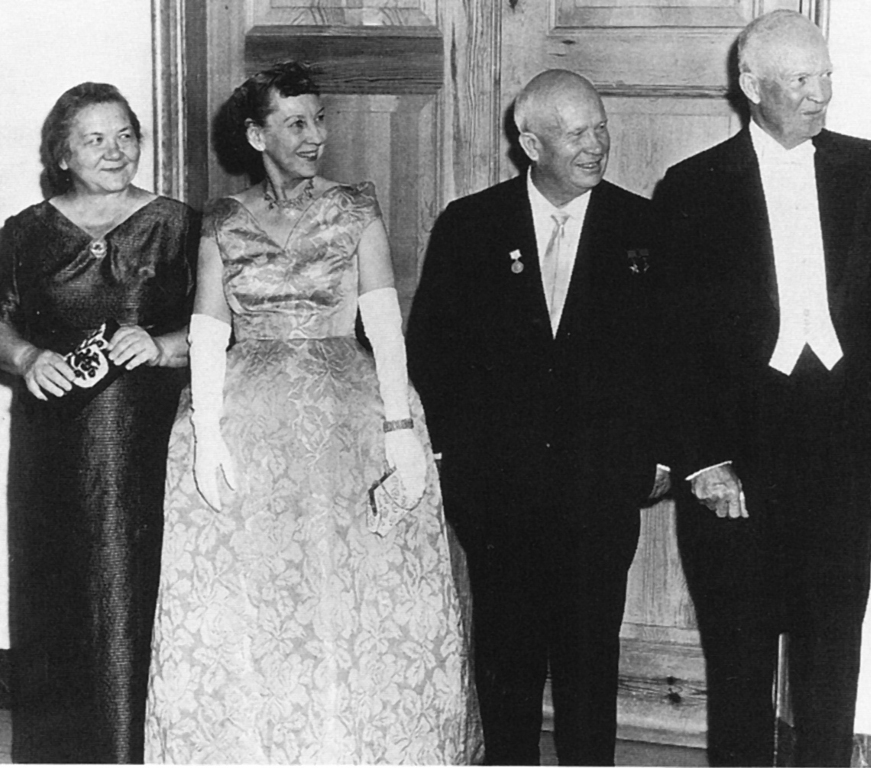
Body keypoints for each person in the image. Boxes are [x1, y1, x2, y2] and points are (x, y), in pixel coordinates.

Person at [143, 61, 476, 764]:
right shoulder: (224, 218)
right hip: (249, 423)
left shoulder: (356, 206)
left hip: (345, 417)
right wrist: (206, 433)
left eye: (319, 119)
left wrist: (399, 427)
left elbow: (384, 325)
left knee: (347, 594)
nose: (315, 135)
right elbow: (208, 329)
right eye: (296, 122)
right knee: (262, 595)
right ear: (256, 134)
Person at [655, 10, 871, 766]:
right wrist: (700, 462)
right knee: (738, 673)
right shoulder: (692, 187)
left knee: (831, 669)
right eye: (800, 80)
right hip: (739, 469)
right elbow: (671, 344)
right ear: (749, 85)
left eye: (825, 76)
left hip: (840, 461)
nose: (819, 94)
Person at [407, 69, 671, 766]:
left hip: (600, 491)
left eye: (600, 127)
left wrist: (660, 457)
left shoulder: (642, 228)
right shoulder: (470, 226)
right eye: (576, 133)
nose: (596, 145)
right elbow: (433, 356)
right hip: (498, 496)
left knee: (589, 667)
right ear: (530, 142)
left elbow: (673, 358)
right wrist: (456, 466)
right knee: (505, 663)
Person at [0, 82, 198, 763]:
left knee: (134, 589)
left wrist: (164, 346)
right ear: (61, 153)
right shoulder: (24, 232)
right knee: (51, 591)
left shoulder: (178, 223)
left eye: (125, 136)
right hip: (50, 448)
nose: (115, 151)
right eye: (95, 139)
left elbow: (225, 325)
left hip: (144, 445)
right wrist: (25, 355)